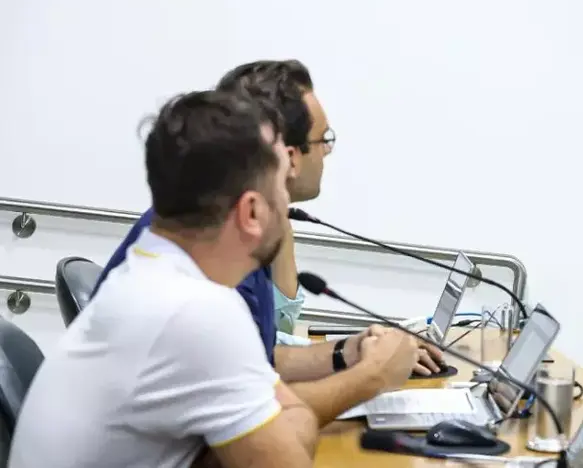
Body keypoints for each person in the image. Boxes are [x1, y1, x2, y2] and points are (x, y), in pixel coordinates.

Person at [11, 89, 417, 467]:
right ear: (252, 213)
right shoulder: (196, 311)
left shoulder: (148, 268)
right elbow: (288, 456)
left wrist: (285, 418)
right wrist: (373, 375)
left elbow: (278, 422)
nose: (288, 206)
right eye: (281, 187)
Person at [90, 60, 443, 428]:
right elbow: (262, 418)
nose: (325, 153)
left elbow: (257, 363)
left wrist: (348, 353)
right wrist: (372, 375)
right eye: (322, 140)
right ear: (283, 154)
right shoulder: (204, 270)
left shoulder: (217, 236)